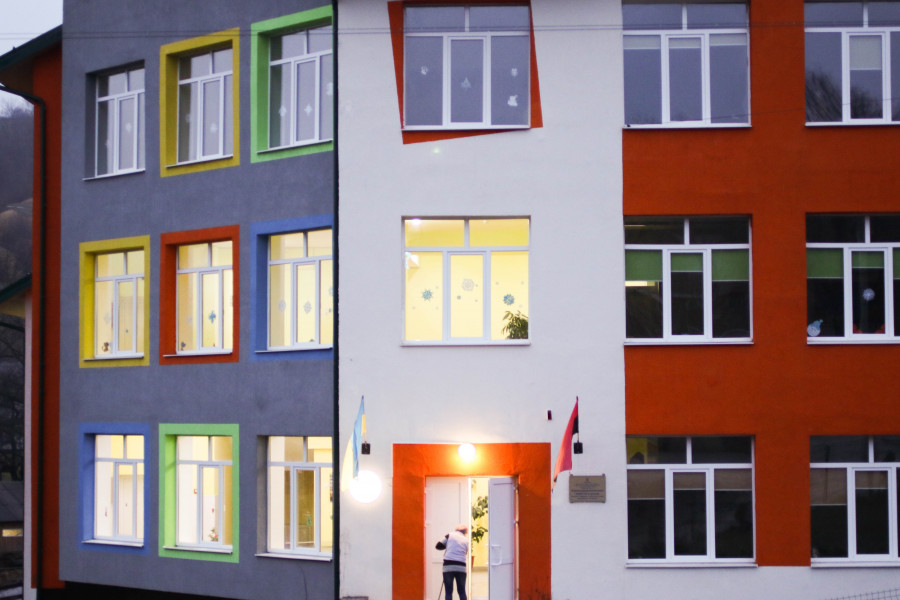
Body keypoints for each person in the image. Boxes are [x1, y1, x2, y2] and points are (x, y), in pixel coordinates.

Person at [440, 524, 469, 600]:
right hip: (461, 567)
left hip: (448, 566)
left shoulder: (449, 535)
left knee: (448, 591)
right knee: (462, 591)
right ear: (465, 532)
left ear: (456, 530)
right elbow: (466, 552)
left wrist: (448, 546)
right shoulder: (466, 540)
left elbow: (438, 545)